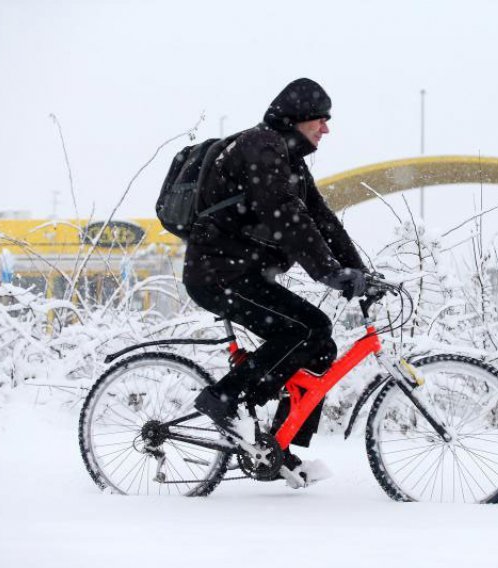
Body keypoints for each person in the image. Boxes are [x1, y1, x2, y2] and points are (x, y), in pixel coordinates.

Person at [182, 78, 368, 481]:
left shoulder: (290, 160)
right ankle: (224, 399)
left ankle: (277, 447)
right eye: (321, 119)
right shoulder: (260, 148)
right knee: (308, 328)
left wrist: (359, 272)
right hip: (217, 274)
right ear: (298, 118)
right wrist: (328, 272)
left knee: (320, 347)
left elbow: (321, 219)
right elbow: (285, 213)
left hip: (241, 272)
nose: (326, 129)